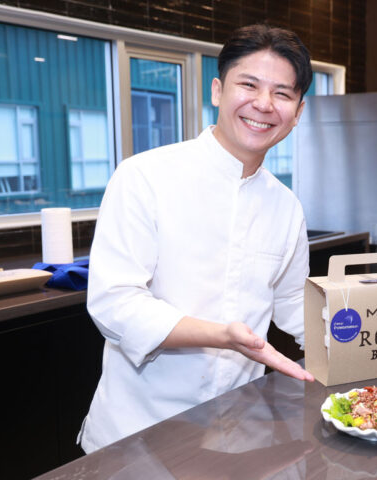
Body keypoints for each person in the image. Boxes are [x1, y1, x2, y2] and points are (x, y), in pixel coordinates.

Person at [78, 24, 315, 454]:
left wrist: (371, 343)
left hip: (238, 430)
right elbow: (114, 304)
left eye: (282, 93)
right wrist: (220, 335)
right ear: (218, 91)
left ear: (297, 112)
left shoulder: (287, 207)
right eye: (249, 85)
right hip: (137, 433)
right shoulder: (145, 176)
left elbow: (294, 304)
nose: (264, 104)